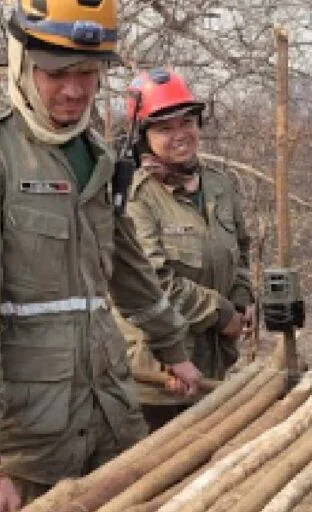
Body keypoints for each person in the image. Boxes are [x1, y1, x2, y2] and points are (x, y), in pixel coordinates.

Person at [0, 1, 203, 509]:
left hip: (110, 410)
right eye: (56, 73)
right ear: (23, 63)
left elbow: (131, 271)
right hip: (28, 440)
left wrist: (173, 350)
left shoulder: (98, 156)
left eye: (88, 73)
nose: (73, 89)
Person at [115, 68, 257, 383]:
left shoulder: (219, 185)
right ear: (143, 137)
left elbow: (241, 250)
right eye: (165, 128)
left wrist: (241, 297)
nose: (180, 134)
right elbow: (152, 282)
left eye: (187, 123)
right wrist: (221, 314)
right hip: (157, 371)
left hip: (213, 361)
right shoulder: (135, 198)